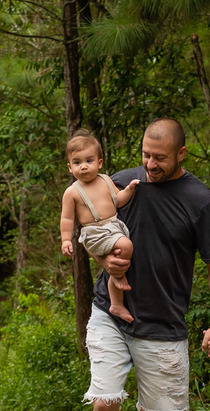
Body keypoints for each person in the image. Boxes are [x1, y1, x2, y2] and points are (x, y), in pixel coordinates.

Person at [84, 118, 210, 411]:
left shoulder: (199, 199)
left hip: (164, 322)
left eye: (160, 158)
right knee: (104, 398)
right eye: (146, 155)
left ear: (181, 154)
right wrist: (103, 259)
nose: (150, 164)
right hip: (110, 312)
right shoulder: (121, 183)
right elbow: (91, 229)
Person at [60, 130, 141, 322]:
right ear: (70, 168)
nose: (84, 167)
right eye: (78, 163)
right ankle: (119, 278)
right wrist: (65, 240)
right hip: (94, 233)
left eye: (89, 161)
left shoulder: (105, 180)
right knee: (126, 246)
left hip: (113, 227)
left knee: (117, 258)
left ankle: (116, 304)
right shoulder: (72, 192)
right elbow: (67, 219)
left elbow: (118, 201)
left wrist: (129, 190)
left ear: (100, 162)